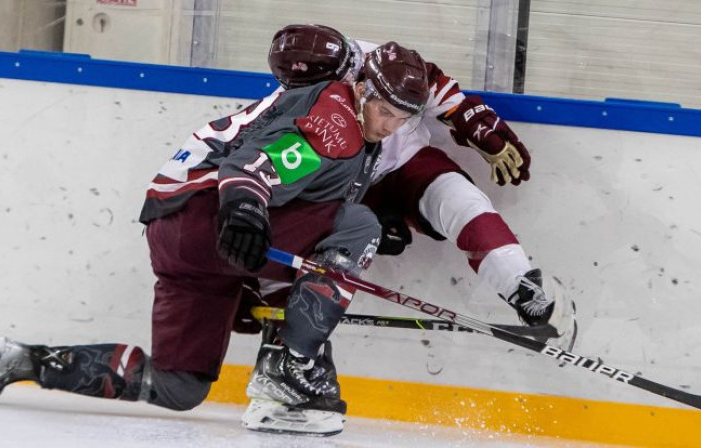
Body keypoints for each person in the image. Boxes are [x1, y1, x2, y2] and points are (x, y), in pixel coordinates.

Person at [0, 40, 431, 437]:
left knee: (178, 386)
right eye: (385, 110)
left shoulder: (347, 122)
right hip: (207, 218)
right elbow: (252, 169)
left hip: (178, 236)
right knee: (359, 226)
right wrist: (248, 210)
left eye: (402, 118)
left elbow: (302, 191)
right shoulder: (336, 122)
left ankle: (16, 361)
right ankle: (292, 368)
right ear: (361, 88)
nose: (390, 125)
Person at [236, 24, 577, 436]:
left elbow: (430, 81)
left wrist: (475, 122)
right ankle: (285, 370)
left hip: (403, 162)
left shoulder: (365, 60)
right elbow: (273, 197)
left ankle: (522, 286)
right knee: (309, 256)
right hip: (344, 189)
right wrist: (248, 284)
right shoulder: (290, 108)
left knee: (457, 198)